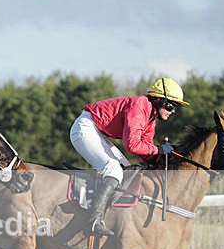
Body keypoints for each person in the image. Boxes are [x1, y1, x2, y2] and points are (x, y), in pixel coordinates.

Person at [69, 77, 189, 236]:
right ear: (158, 100)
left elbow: (145, 150)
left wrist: (166, 158)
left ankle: (110, 218)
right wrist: (159, 150)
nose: (172, 111)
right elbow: (132, 145)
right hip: (85, 128)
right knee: (114, 170)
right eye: (170, 106)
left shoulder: (150, 119)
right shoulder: (140, 105)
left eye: (175, 108)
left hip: (97, 132)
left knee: (126, 171)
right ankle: (93, 221)